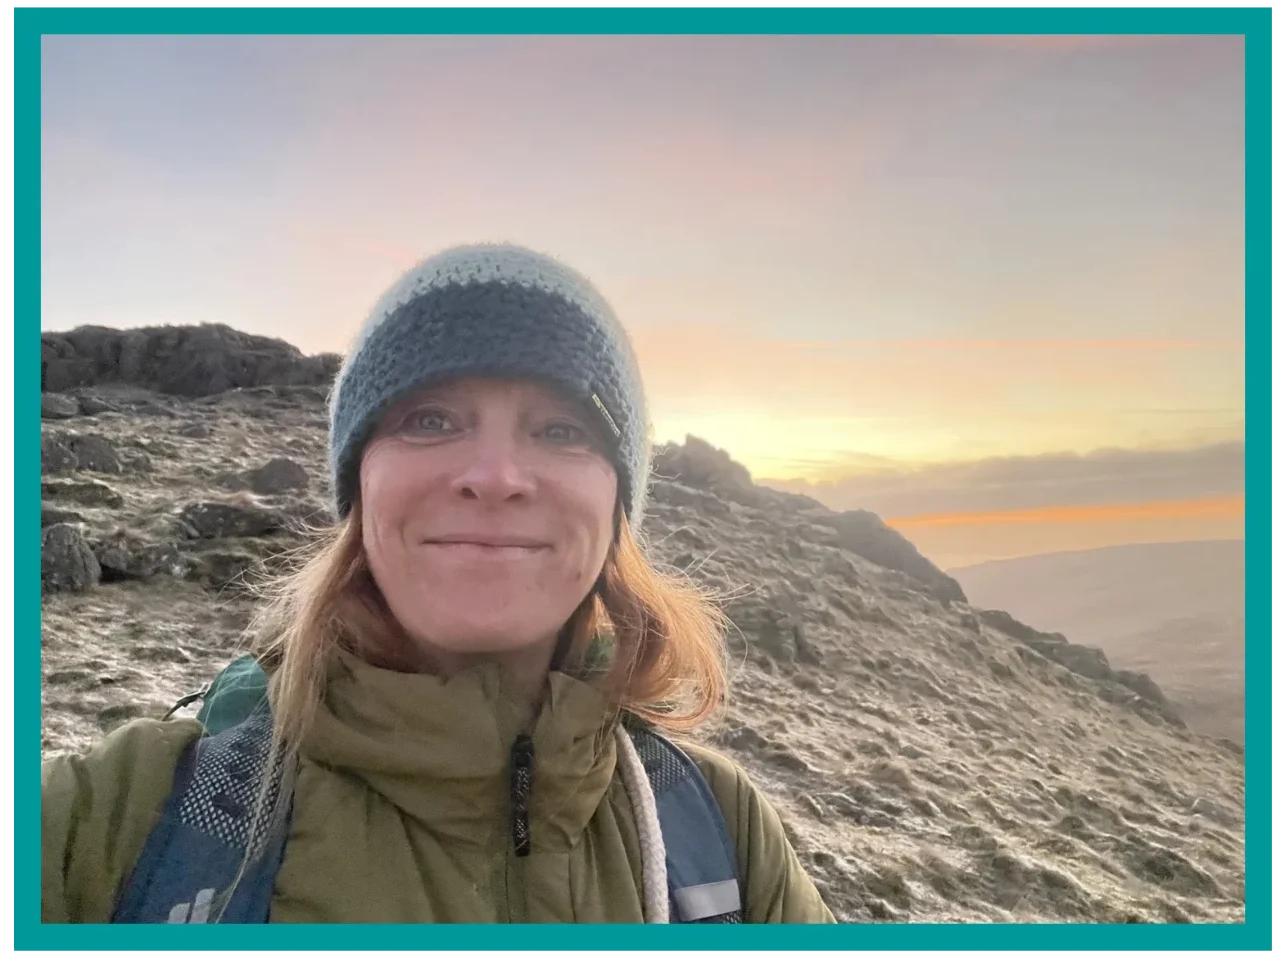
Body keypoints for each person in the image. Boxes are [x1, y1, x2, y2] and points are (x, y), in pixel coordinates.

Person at [40, 242, 837, 924]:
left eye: (562, 428)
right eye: (429, 419)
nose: (494, 476)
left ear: (619, 505)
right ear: (360, 488)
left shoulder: (723, 839)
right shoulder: (124, 820)